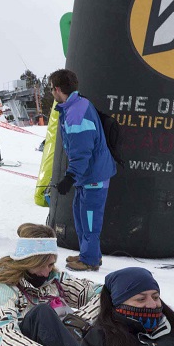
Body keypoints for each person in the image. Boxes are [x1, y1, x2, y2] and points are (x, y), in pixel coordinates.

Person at [50, 68, 117, 272]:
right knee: (80, 216)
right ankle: (89, 253)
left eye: (52, 88)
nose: (51, 92)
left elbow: (82, 152)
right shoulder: (76, 105)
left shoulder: (76, 114)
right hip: (87, 177)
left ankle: (90, 260)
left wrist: (70, 177)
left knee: (89, 219)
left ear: (58, 89)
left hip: (93, 177)